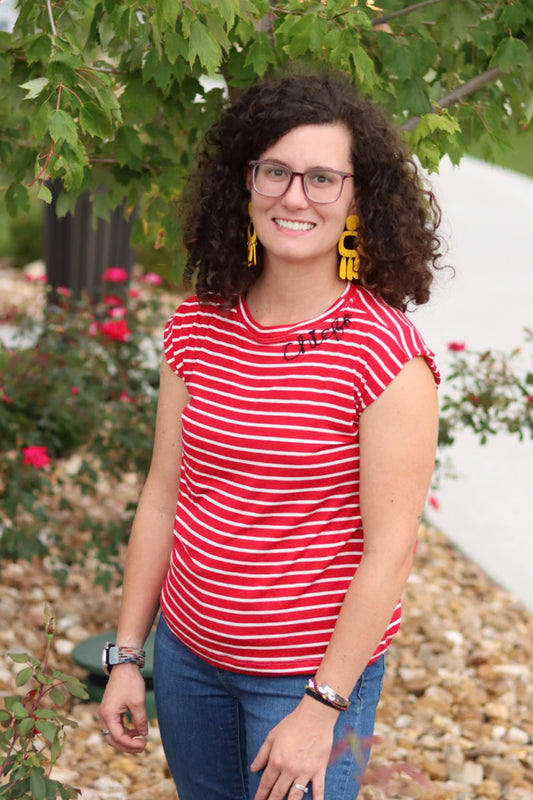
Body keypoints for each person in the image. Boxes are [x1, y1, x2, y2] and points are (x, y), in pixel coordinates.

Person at [99, 70, 443, 800]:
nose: (294, 196)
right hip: (187, 661)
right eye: (276, 171)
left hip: (311, 681)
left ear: (357, 198)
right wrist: (128, 654)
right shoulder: (197, 325)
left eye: (322, 178)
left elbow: (391, 550)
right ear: (244, 182)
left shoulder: (383, 355)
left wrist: (320, 709)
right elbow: (163, 496)